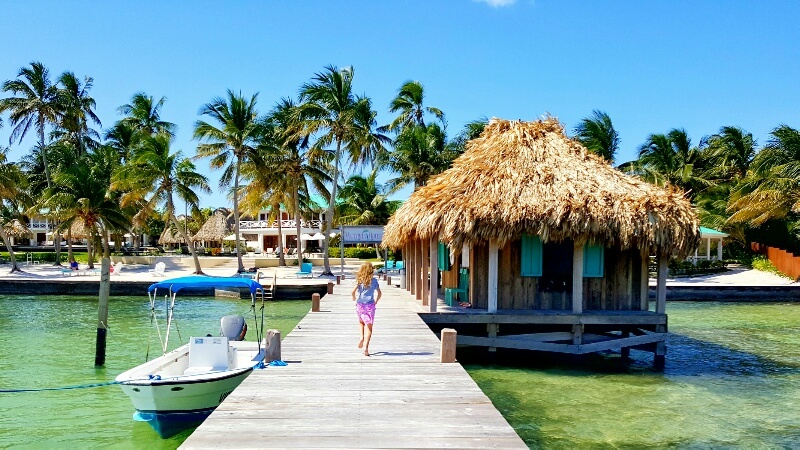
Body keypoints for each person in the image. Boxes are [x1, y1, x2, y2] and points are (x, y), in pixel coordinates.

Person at [351, 262, 382, 356]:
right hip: (370, 306)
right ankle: (366, 348)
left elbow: (352, 292)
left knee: (361, 322)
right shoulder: (374, 281)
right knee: (369, 327)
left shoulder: (360, 280)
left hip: (360, 305)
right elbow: (379, 293)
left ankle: (361, 337)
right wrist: (376, 301)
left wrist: (354, 298)